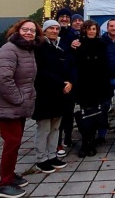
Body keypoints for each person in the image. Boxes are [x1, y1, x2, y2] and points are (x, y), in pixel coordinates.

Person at [0, 19, 43, 198]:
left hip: (18, 106)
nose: (29, 33)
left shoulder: (26, 50)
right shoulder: (9, 50)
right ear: (17, 30)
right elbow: (3, 79)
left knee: (15, 143)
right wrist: (18, 99)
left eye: (32, 31)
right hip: (9, 106)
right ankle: (4, 184)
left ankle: (10, 175)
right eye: (25, 30)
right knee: (11, 144)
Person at [32, 19, 77, 173]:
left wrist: (70, 81)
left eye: (57, 28)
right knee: (44, 127)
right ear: (44, 30)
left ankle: (52, 156)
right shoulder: (39, 47)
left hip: (61, 93)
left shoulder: (62, 45)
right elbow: (42, 71)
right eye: (51, 28)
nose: (54, 31)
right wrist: (62, 83)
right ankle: (41, 159)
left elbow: (71, 64)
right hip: (46, 93)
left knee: (56, 127)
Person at [72, 20, 113, 158]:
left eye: (94, 29)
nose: (91, 31)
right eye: (88, 29)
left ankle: (92, 142)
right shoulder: (77, 43)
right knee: (85, 115)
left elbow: (105, 65)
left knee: (95, 115)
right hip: (84, 85)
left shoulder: (101, 44)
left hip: (99, 84)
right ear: (84, 30)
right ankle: (85, 143)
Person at [55, 8, 78, 157]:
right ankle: (57, 143)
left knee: (69, 112)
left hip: (71, 80)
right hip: (56, 80)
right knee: (57, 114)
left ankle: (68, 138)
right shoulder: (52, 35)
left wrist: (72, 81)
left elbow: (76, 60)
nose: (64, 19)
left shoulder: (72, 35)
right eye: (61, 16)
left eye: (66, 17)